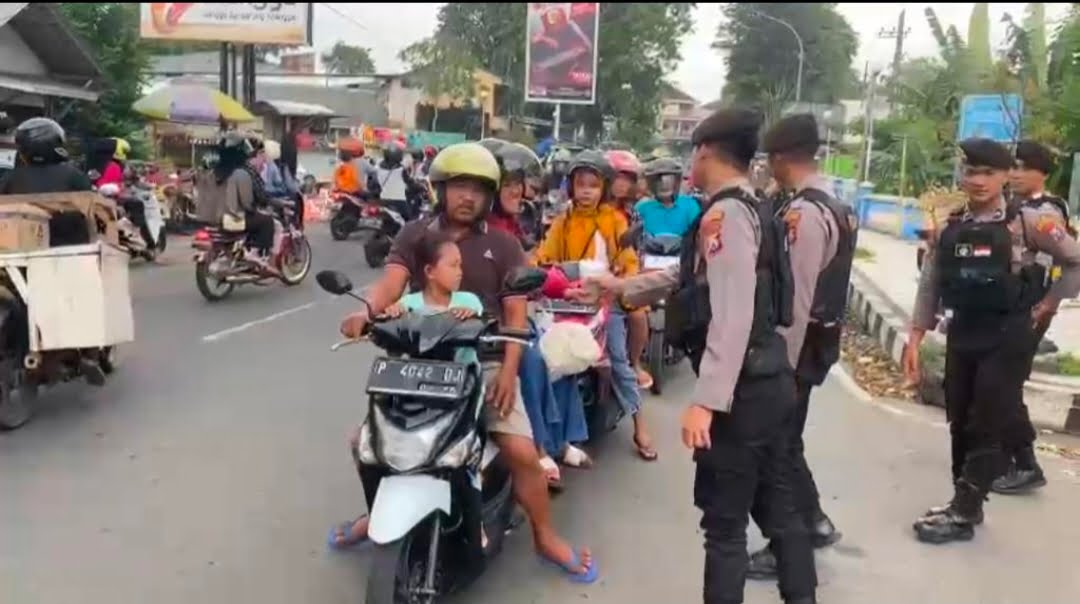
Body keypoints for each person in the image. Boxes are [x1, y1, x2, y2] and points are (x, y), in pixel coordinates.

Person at [571, 108, 817, 603]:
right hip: (768, 381)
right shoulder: (754, 207)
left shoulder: (724, 215)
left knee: (724, 528)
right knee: (780, 512)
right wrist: (620, 288)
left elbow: (731, 312)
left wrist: (707, 400)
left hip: (741, 394)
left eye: (693, 154)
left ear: (704, 151)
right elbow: (691, 279)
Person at [332, 142, 597, 582]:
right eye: (458, 186)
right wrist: (367, 313)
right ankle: (375, 514)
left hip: (485, 357)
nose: (467, 196)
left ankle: (544, 535)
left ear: (489, 196)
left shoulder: (504, 243)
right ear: (440, 188)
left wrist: (509, 370)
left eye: (477, 189)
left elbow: (515, 314)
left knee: (519, 450)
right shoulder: (415, 234)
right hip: (416, 358)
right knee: (366, 442)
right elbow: (391, 284)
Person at [903, 138, 1080, 544]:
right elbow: (931, 282)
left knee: (987, 419)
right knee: (959, 418)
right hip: (964, 330)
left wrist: (1049, 304)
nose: (978, 180)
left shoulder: (1029, 222)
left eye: (989, 173)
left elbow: (1074, 259)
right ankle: (962, 500)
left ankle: (964, 511)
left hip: (1007, 335)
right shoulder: (951, 225)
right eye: (972, 172)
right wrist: (915, 337)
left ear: (1004, 177)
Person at [746, 114, 855, 579]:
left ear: (779, 158)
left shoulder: (805, 214)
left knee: (776, 447)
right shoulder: (836, 204)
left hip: (799, 346)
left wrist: (781, 371)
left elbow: (798, 295)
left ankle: (787, 544)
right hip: (821, 339)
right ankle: (813, 520)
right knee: (787, 442)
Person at [533, 150, 658, 462]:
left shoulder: (614, 220)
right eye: (580, 184)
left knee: (617, 361)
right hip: (566, 299)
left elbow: (627, 262)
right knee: (545, 355)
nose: (586, 190)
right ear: (571, 187)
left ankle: (639, 424)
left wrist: (622, 284)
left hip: (606, 300)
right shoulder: (562, 220)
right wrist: (537, 271)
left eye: (592, 184)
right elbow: (545, 256)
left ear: (603, 187)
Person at [0, 117, 108, 386]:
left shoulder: (11, 179)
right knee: (87, 295)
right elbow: (94, 209)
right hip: (66, 255)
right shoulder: (72, 175)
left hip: (17, 257)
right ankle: (90, 355)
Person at [991, 140, 1071, 495]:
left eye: (1023, 167)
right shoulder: (1013, 207)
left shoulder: (1047, 212)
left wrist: (1049, 304)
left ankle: (1025, 463)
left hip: (1031, 309)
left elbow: (1072, 260)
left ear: (1042, 171)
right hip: (1008, 307)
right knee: (1000, 382)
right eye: (1013, 167)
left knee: (1005, 385)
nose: (1016, 174)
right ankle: (1007, 456)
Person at [606, 149, 654, 389]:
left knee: (637, 315)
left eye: (627, 178)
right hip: (590, 272)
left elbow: (638, 249)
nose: (622, 184)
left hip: (625, 272)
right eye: (617, 177)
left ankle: (634, 362)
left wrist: (632, 273)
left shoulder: (632, 213)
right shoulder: (590, 205)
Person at [635, 157, 702, 238]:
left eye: (669, 178)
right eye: (657, 179)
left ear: (677, 181)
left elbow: (698, 235)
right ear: (650, 183)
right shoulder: (642, 207)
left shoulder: (690, 205)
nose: (664, 183)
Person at [374, 143, 417, 220]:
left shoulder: (377, 167)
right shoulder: (400, 169)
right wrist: (418, 186)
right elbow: (410, 183)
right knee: (409, 220)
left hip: (382, 199)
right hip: (398, 200)